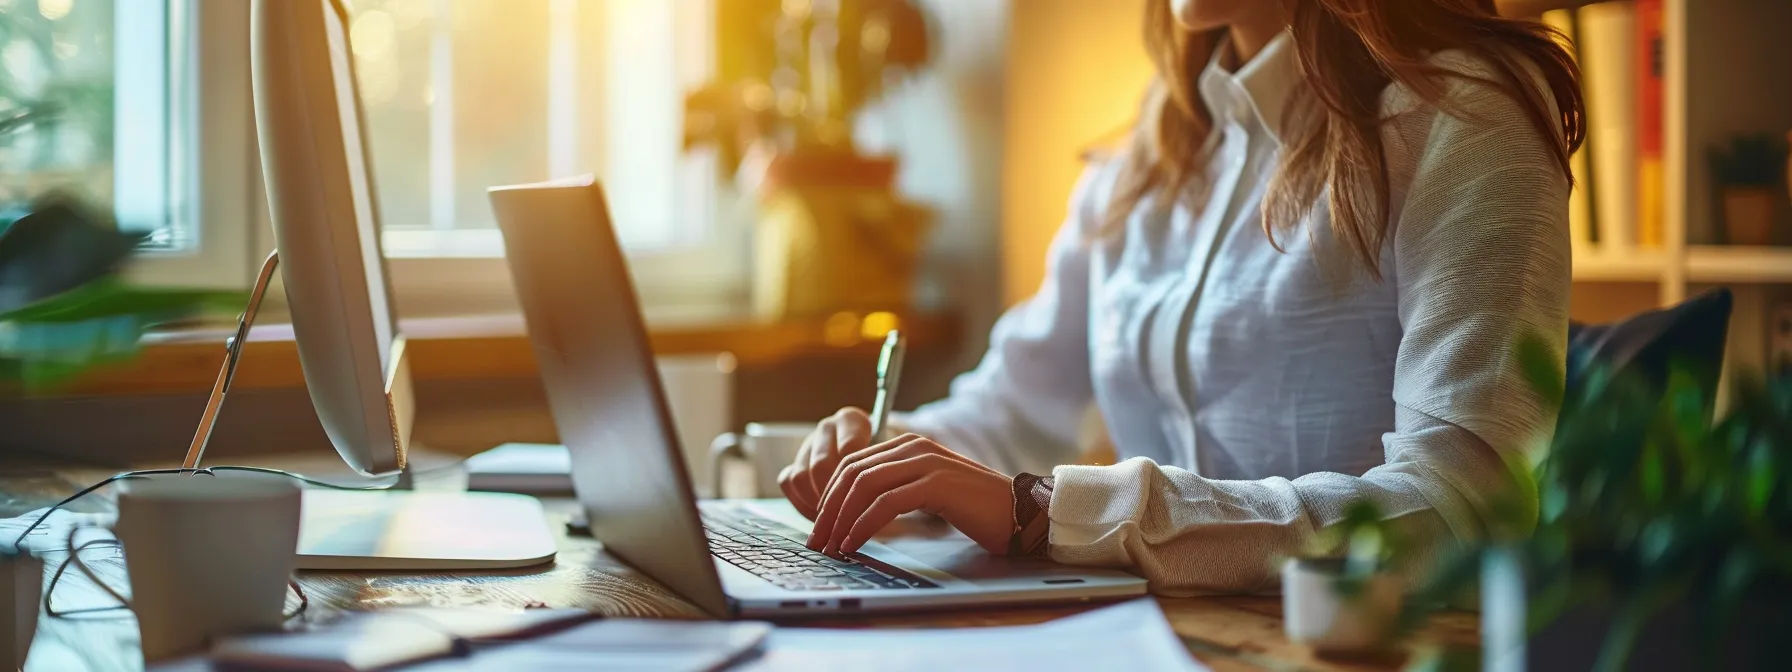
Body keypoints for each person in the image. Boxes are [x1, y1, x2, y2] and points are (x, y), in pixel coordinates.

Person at [781, 0, 1583, 594]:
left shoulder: (1461, 116)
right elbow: (1011, 410)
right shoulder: (1145, 161)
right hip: (1161, 639)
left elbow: (1465, 504)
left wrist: (1047, 509)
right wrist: (885, 457)